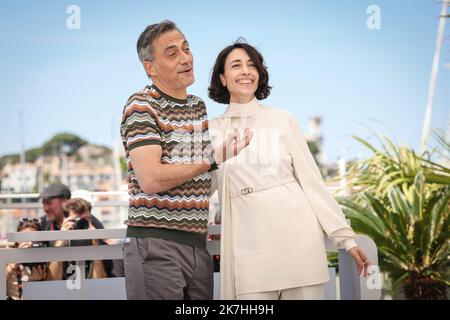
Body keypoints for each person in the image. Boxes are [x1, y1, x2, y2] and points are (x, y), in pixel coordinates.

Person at [207, 40, 370, 300]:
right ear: (223, 79)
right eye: (236, 65)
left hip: (298, 241)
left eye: (252, 65)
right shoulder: (210, 130)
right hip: (247, 250)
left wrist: (346, 240)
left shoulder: (283, 119)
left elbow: (312, 183)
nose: (246, 71)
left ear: (260, 75)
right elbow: (198, 189)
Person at [120, 20, 250, 300]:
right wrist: (212, 160)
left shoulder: (197, 106)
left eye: (187, 49)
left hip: (197, 246)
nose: (185, 58)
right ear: (150, 67)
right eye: (172, 53)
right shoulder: (141, 105)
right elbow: (151, 179)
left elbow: (197, 177)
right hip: (155, 245)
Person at [46, 198, 113, 280]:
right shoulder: (54, 244)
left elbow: (101, 286)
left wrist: (95, 248)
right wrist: (60, 242)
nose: (81, 224)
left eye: (85, 220)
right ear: (65, 221)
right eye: (77, 220)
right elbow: (51, 282)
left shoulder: (100, 245)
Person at [6, 219, 48, 300]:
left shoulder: (45, 262)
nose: (29, 243)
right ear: (17, 241)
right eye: (25, 238)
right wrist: (12, 267)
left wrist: (37, 283)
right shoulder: (8, 259)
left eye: (34, 239)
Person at [38, 183, 103, 231]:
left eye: (49, 203)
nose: (45, 208)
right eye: (44, 203)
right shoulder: (43, 224)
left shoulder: (87, 221)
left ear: (64, 202)